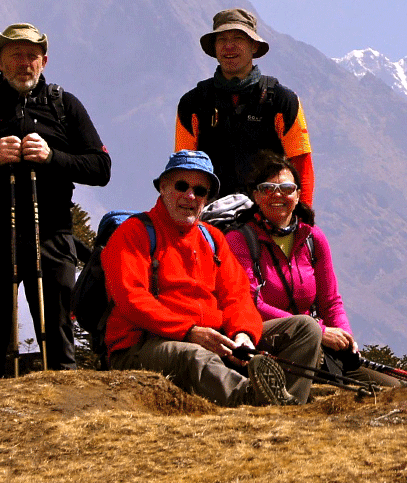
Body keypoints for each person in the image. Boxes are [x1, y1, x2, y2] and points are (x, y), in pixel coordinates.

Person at [0, 23, 111, 377]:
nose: (25, 63)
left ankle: (67, 425)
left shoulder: (64, 106)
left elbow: (100, 168)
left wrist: (53, 158)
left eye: (32, 56)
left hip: (52, 236)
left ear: (44, 62)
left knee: (60, 351)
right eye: (16, 55)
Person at [103, 150, 322, 406]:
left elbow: (237, 297)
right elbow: (131, 299)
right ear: (162, 188)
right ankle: (254, 401)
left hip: (212, 339)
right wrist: (189, 332)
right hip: (144, 343)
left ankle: (286, 404)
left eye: (200, 190)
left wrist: (243, 336)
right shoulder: (133, 232)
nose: (190, 196)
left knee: (305, 328)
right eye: (181, 186)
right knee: (194, 357)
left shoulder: (212, 238)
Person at [226, 151, 400, 388]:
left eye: (287, 189)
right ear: (256, 195)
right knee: (306, 329)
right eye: (268, 189)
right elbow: (250, 303)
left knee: (392, 389)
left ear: (298, 195)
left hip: (315, 341)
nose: (278, 195)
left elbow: (330, 301)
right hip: (264, 338)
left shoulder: (312, 239)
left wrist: (345, 338)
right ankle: (292, 403)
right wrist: (319, 330)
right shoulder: (239, 240)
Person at [174, 8, 314, 206]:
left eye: (238, 38)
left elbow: (302, 165)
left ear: (254, 46)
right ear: (214, 47)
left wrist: (303, 219)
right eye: (222, 40)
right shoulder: (192, 103)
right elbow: (184, 169)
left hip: (268, 216)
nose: (229, 46)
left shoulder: (283, 101)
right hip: (209, 219)